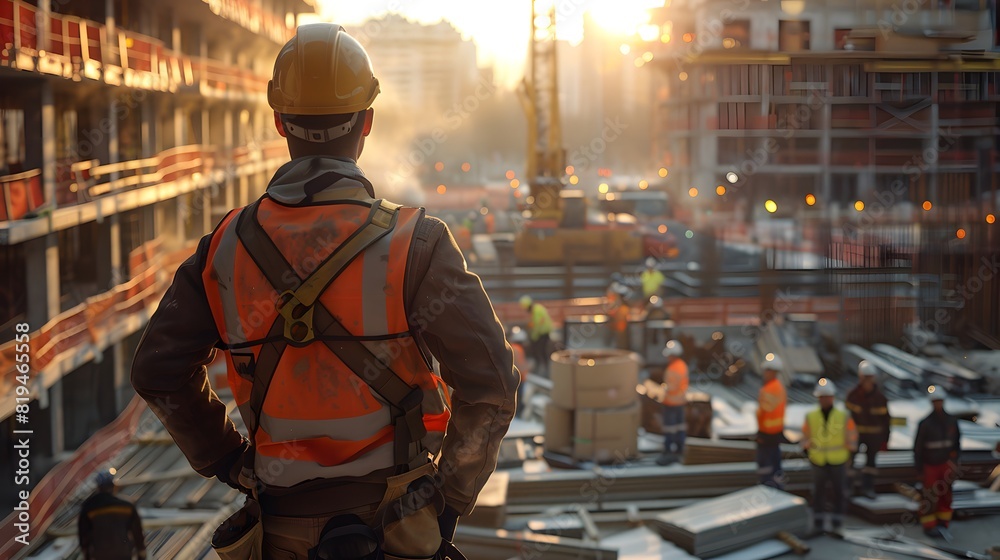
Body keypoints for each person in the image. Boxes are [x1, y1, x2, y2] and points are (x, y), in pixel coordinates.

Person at [131, 23, 518, 558]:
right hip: (397, 532)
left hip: (280, 532)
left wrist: (228, 460)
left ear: (278, 122)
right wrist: (447, 499)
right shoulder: (416, 244)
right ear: (367, 122)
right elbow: (492, 384)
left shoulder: (222, 249)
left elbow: (157, 371)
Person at [802, 379, 858, 535]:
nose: (825, 400)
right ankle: (818, 524)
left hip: (838, 460)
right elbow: (806, 436)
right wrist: (806, 450)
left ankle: (837, 524)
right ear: (818, 398)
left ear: (833, 397)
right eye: (822, 397)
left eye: (827, 396)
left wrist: (851, 453)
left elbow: (852, 437)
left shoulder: (843, 416)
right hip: (818, 460)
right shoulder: (811, 416)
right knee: (818, 493)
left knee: (839, 493)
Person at [914, 385, 961, 539]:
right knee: (929, 496)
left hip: (946, 465)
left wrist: (954, 463)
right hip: (930, 465)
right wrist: (919, 470)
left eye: (940, 401)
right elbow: (918, 448)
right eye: (935, 401)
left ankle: (943, 523)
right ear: (931, 403)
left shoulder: (952, 421)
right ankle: (929, 526)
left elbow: (957, 444)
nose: (938, 404)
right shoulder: (925, 423)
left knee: (946, 495)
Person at [845, 360, 891, 499]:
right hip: (856, 436)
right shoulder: (852, 396)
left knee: (870, 465)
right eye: (865, 377)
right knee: (850, 464)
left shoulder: (880, 398)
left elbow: (886, 420)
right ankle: (848, 489)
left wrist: (885, 440)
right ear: (860, 377)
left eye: (869, 378)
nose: (867, 381)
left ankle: (868, 488)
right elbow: (846, 419)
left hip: (874, 437)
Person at [78, 470, 146, 560]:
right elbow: (137, 532)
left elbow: (84, 536)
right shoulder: (127, 507)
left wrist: (87, 556)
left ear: (98, 488)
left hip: (100, 555)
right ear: (114, 486)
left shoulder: (89, 508)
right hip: (123, 553)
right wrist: (141, 553)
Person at [756, 355, 787, 489]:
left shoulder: (769, 390)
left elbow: (764, 413)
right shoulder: (779, 388)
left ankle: (767, 490)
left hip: (767, 435)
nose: (764, 374)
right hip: (775, 434)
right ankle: (776, 491)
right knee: (775, 467)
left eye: (766, 371)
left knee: (766, 468)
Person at [660, 340, 689, 461]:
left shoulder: (673, 369)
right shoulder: (682, 365)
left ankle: (668, 451)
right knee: (679, 427)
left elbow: (671, 387)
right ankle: (679, 449)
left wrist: (662, 389)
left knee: (670, 428)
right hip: (680, 402)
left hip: (671, 403)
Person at [520, 295, 553, 376]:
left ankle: (544, 370)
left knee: (540, 351)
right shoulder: (537, 308)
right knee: (541, 351)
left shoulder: (536, 310)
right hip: (543, 332)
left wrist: (533, 336)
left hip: (542, 333)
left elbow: (538, 324)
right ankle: (544, 369)